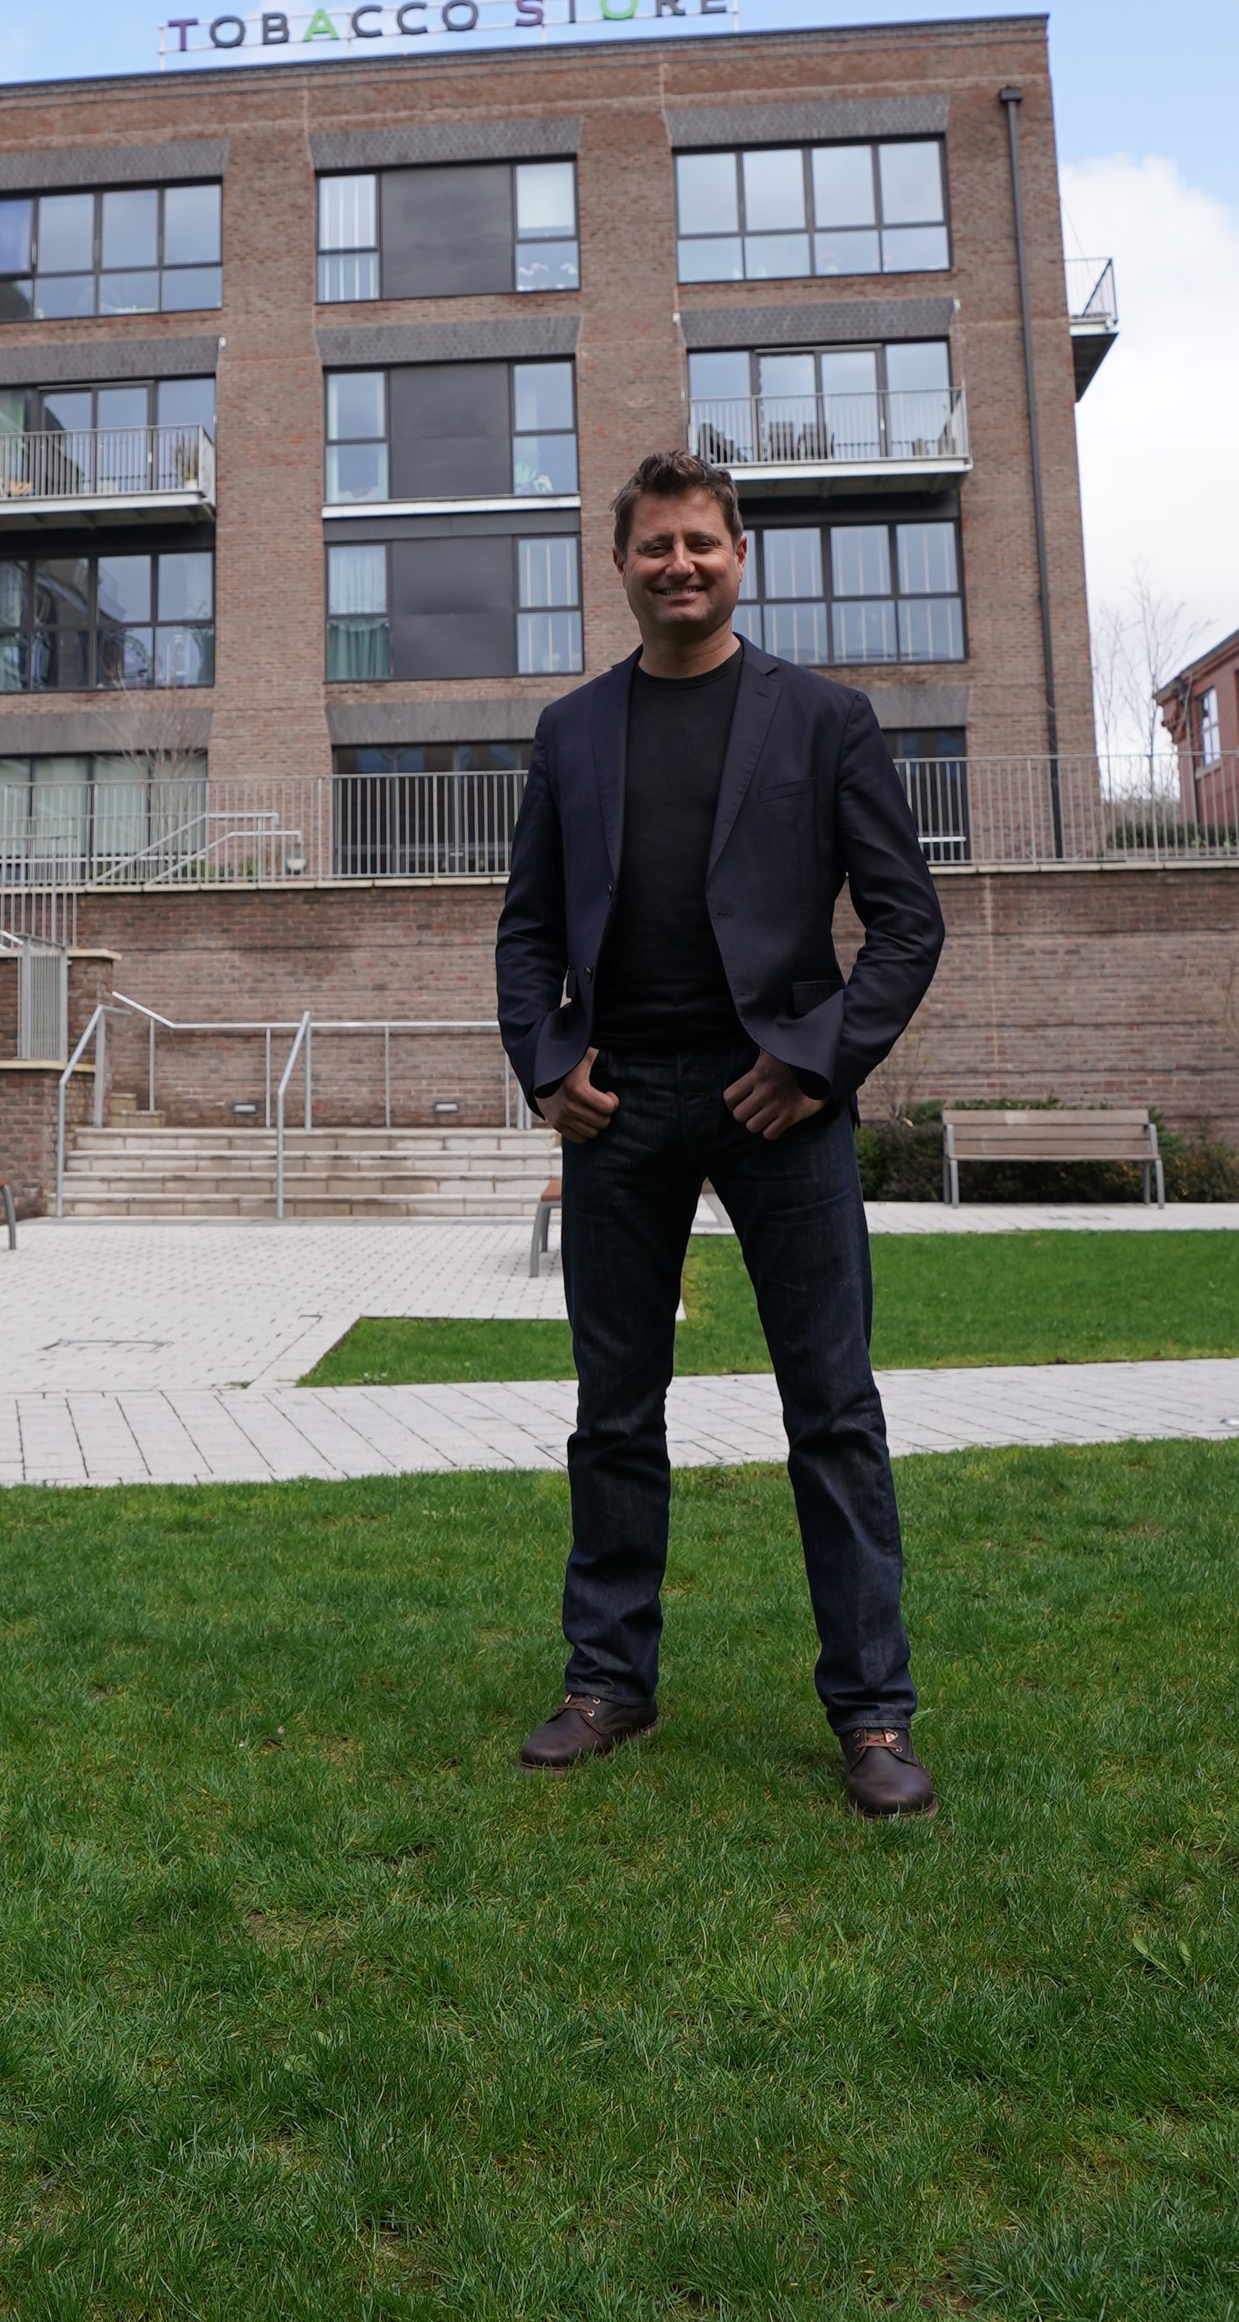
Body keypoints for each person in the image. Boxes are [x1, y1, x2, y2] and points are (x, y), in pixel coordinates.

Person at [495, 449, 947, 1817]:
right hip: (617, 1106)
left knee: (833, 1409)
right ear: (620, 564)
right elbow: (525, 932)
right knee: (613, 1412)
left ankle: (872, 1714)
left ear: (739, 556)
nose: (678, 564)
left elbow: (906, 923)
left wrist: (814, 1063)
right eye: (655, 546)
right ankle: (607, 1683)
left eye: (700, 542)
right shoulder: (571, 732)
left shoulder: (824, 720)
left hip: (777, 1105)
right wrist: (547, 1068)